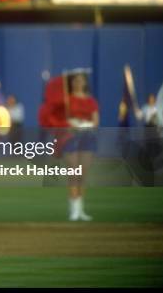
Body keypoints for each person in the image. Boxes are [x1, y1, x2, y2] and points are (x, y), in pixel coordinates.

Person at [62, 70, 99, 221]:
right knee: (73, 172)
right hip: (71, 136)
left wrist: (87, 124)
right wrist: (73, 123)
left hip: (87, 136)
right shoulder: (67, 100)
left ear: (85, 82)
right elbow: (62, 118)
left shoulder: (91, 101)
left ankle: (80, 209)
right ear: (71, 83)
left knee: (82, 174)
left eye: (80, 80)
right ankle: (73, 210)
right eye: (75, 80)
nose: (77, 83)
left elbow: (96, 120)